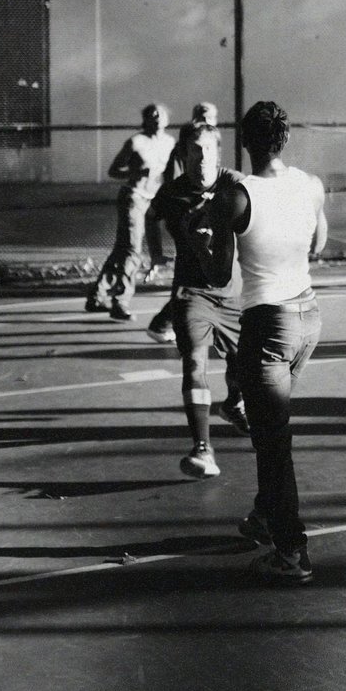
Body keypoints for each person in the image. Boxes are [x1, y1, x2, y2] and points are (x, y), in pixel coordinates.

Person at [228, 100, 327, 584]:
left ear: (245, 141)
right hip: (309, 319)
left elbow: (212, 269)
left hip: (268, 324)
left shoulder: (239, 195)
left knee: (273, 442)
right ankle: (267, 516)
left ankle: (292, 552)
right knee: (272, 428)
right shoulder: (310, 185)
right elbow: (320, 243)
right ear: (285, 140)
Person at [149, 120, 249, 479]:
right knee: (194, 361)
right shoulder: (172, 193)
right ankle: (202, 449)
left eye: (209, 149)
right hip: (191, 293)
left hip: (233, 294)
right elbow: (150, 216)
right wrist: (156, 256)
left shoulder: (236, 184)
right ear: (183, 154)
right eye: (195, 149)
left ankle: (234, 404)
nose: (203, 156)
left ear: (218, 152)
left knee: (244, 370)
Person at [85, 103, 176, 321]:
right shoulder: (136, 142)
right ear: (145, 120)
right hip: (133, 198)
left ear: (166, 119)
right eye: (151, 114)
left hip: (154, 201)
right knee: (132, 251)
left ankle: (97, 297)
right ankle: (121, 301)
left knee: (122, 251)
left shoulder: (170, 143)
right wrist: (135, 171)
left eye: (160, 113)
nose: (156, 117)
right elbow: (113, 170)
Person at [143, 100, 218, 285]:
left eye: (208, 119)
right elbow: (173, 182)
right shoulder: (184, 149)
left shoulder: (213, 145)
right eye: (201, 119)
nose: (204, 123)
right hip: (188, 207)